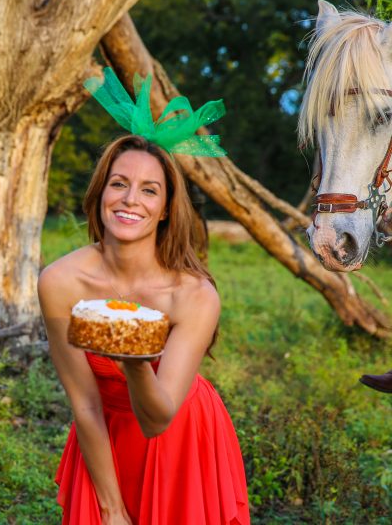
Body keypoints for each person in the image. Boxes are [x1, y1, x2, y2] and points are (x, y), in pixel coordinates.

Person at [37, 69, 250, 524]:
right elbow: (85, 403)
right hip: (104, 436)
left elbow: (158, 420)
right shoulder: (60, 282)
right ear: (100, 193)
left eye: (149, 190)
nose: (130, 200)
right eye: (119, 184)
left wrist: (134, 360)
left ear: (167, 209)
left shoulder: (193, 296)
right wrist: (111, 509)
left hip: (179, 433)